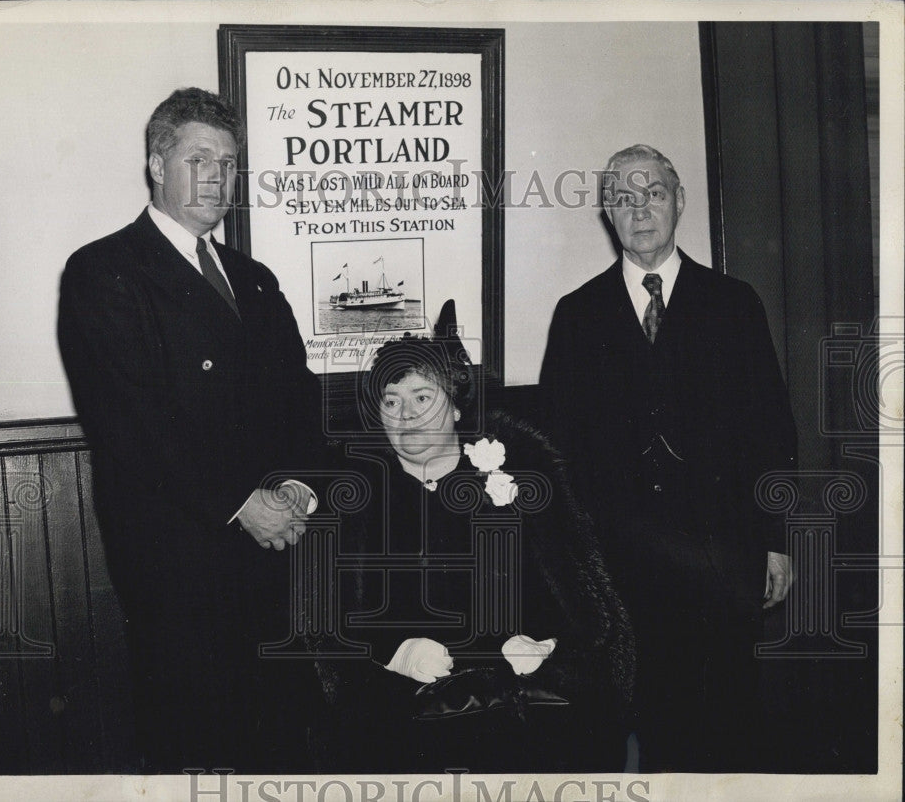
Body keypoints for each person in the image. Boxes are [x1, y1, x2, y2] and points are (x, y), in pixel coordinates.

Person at [58, 88, 323, 772]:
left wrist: (295, 485)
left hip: (273, 558)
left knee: (279, 746)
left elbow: (299, 398)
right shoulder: (103, 270)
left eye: (228, 163)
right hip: (178, 568)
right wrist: (244, 503)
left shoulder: (255, 279)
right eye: (197, 158)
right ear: (156, 164)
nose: (215, 177)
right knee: (199, 754)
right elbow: (131, 425)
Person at [538, 144, 798, 771]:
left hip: (723, 556)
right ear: (608, 214)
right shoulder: (577, 316)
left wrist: (776, 540)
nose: (639, 208)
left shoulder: (735, 305)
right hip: (624, 569)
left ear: (678, 201)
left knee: (728, 729)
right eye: (623, 198)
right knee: (650, 729)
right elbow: (557, 451)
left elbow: (773, 433)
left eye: (651, 192)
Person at [312, 308, 634, 773]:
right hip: (405, 714)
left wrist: (547, 645)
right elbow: (328, 623)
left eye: (423, 397)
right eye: (391, 401)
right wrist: (393, 653)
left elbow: (583, 601)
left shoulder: (518, 480)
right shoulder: (355, 499)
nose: (407, 416)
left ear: (456, 405)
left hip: (517, 704)